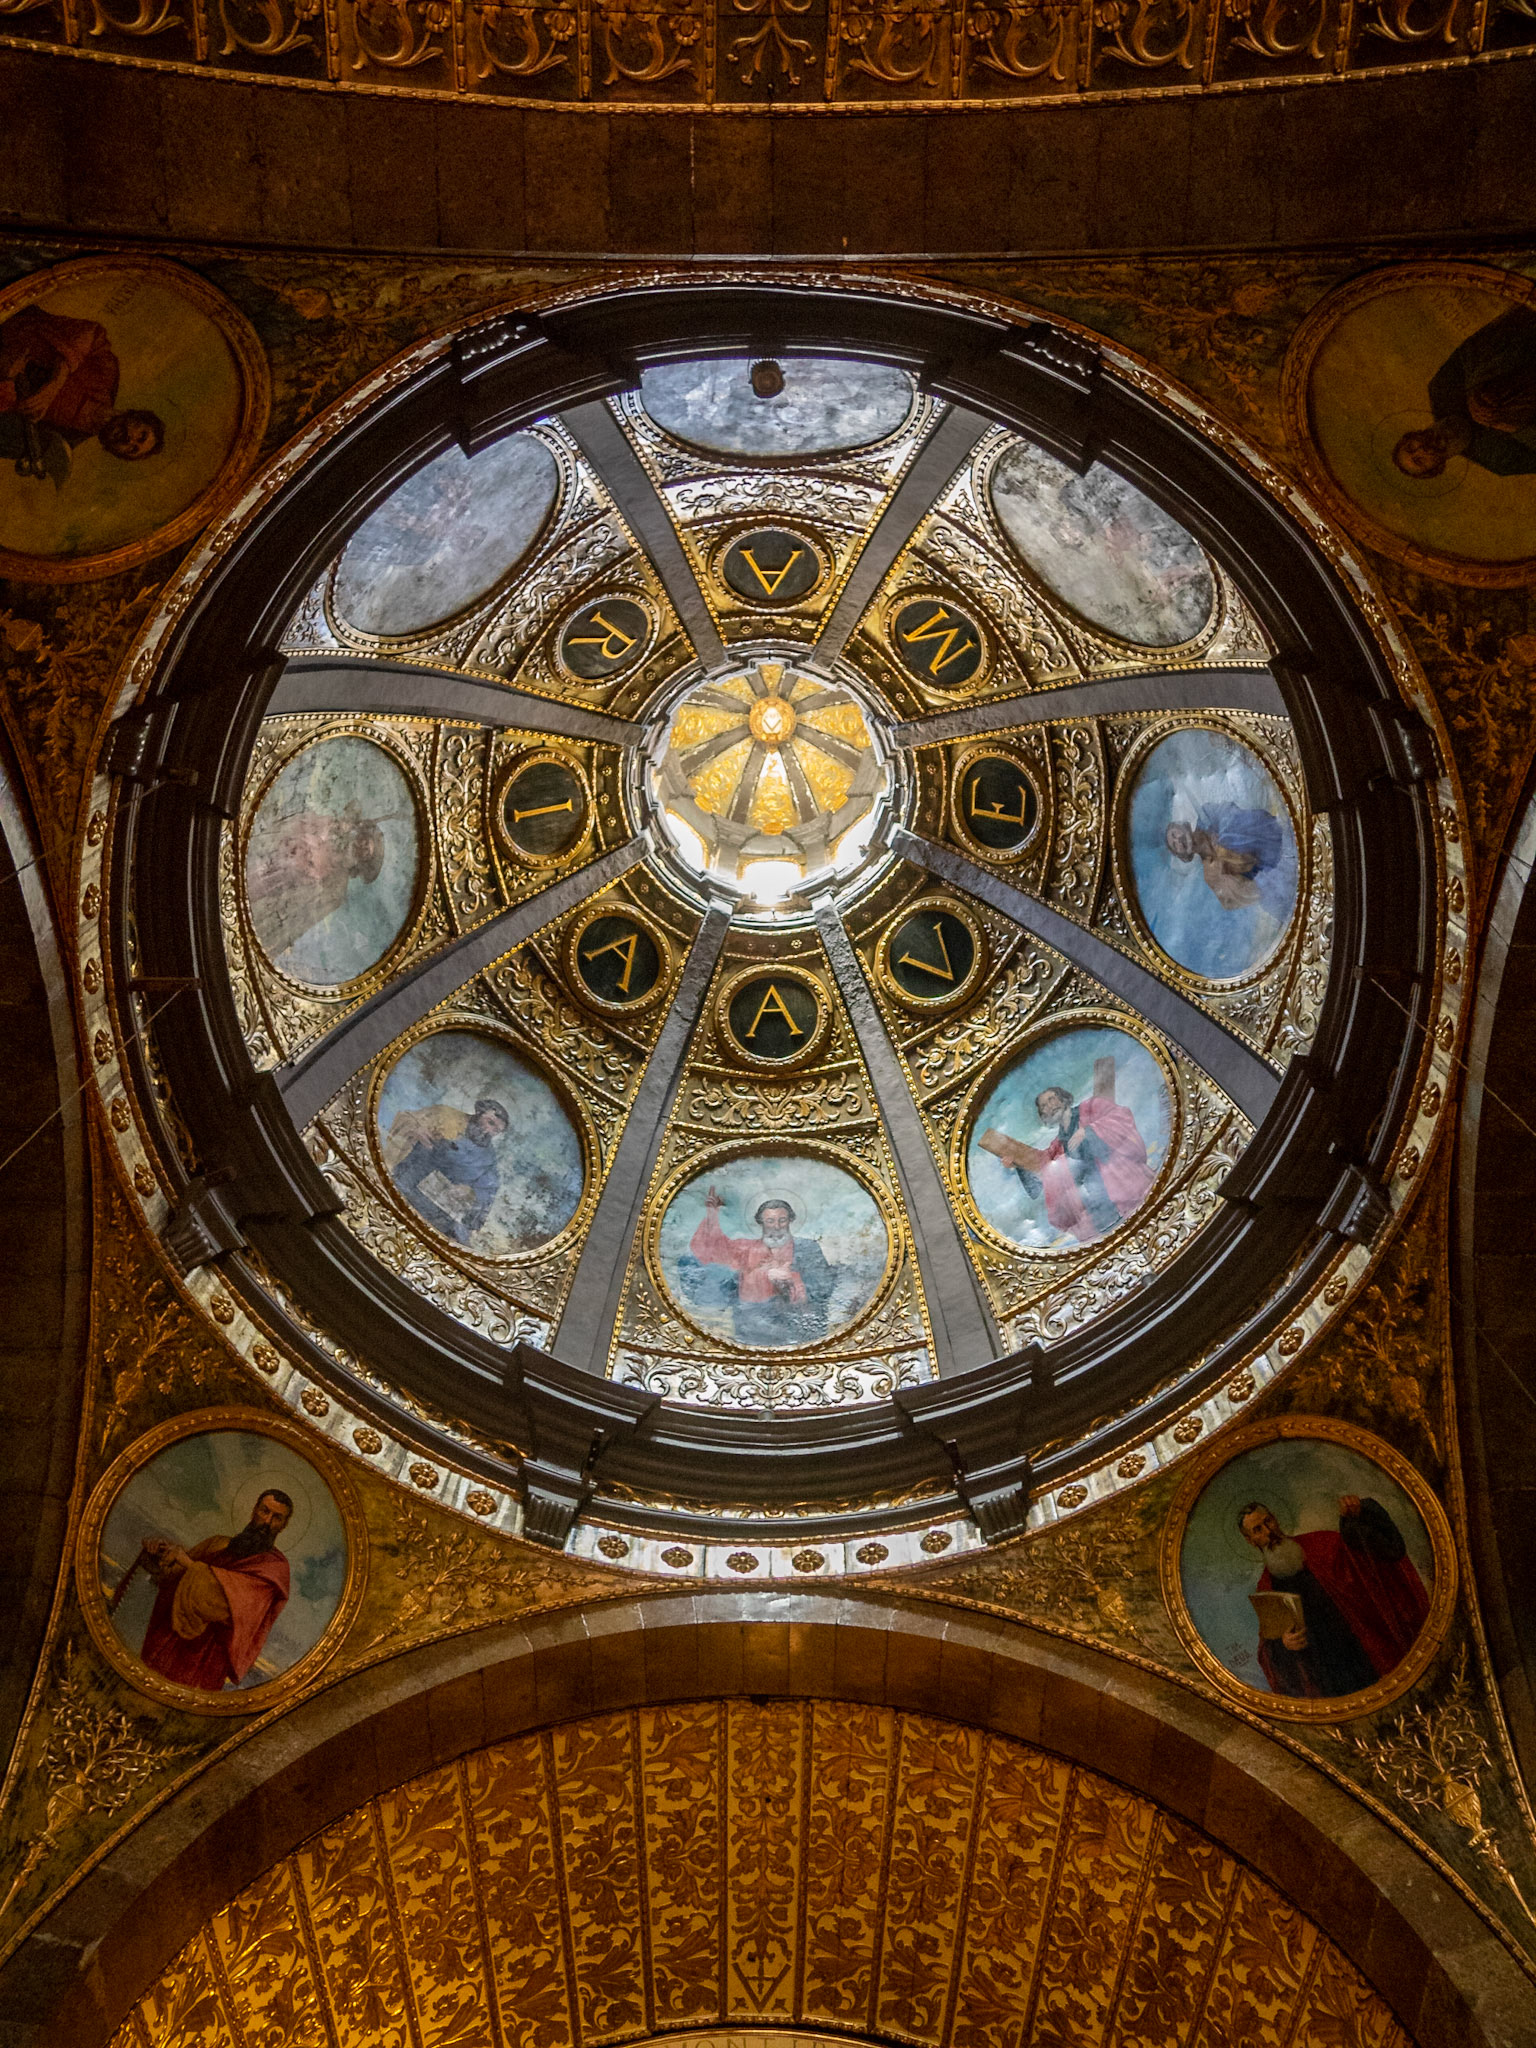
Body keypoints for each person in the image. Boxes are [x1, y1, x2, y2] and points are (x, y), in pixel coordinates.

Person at [1239, 1495, 1430, 1700]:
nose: (1268, 1531)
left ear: (1275, 1518)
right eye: (1257, 1529)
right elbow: (1269, 1647)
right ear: (1250, 1540)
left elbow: (1367, 1562)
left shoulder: (1321, 1543)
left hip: (1360, 1650)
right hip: (1324, 1671)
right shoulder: (1265, 1587)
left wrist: (1357, 1516)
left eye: (1268, 1521)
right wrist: (1284, 1643)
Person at [125, 1489, 293, 1693]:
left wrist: (187, 1562)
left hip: (203, 1659)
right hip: (168, 1640)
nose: (267, 1521)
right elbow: (173, 1578)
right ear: (254, 1510)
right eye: (264, 1511)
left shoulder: (273, 1569)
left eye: (276, 1518)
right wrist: (161, 1554)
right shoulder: (218, 1543)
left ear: (283, 1525)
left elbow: (229, 1604)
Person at [981, 1055, 1153, 1245]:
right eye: (1044, 1106)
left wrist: (1089, 1131)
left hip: (1123, 1187)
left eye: (1052, 1099)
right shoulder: (1057, 1146)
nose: (1049, 1106)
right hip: (1096, 1209)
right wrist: (1017, 1165)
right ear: (1043, 1116)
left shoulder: (1091, 1107)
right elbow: (1043, 1169)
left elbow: (1121, 1118)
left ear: (1063, 1098)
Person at [0, 304, 165, 484]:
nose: (130, 440)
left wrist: (7, 379)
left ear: (116, 452)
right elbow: (91, 333)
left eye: (133, 449)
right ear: (136, 416)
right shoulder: (106, 376)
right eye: (141, 435)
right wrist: (55, 383)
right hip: (12, 318)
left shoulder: (57, 443)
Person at [1391, 303, 1536, 482]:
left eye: (1411, 447)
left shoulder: (1441, 390)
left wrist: (1476, 387)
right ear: (1438, 467)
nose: (1421, 450)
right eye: (1419, 460)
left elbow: (1475, 347)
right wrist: (1515, 427)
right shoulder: (1500, 461)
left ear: (1413, 434)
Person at [684, 1190, 835, 1345]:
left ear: (790, 1220)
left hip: (796, 1327)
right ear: (761, 1222)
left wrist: (791, 1279)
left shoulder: (808, 1248)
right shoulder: (747, 1249)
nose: (776, 1226)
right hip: (753, 1328)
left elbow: (824, 1284)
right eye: (770, 1221)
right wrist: (712, 1214)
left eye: (782, 1220)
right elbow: (713, 1248)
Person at [245, 802, 387, 961]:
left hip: (272, 897)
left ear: (362, 862)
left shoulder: (336, 890)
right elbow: (285, 829)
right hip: (263, 859)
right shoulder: (326, 826)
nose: (360, 847)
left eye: (366, 852)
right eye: (364, 842)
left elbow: (297, 923)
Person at [384, 1097, 509, 1245]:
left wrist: (470, 1192)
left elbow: (489, 1189)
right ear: (479, 1113)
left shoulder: (488, 1158)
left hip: (436, 1207)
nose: (489, 1131)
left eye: (496, 1130)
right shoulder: (444, 1115)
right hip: (405, 1181)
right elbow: (406, 1119)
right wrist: (416, 1131)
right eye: (490, 1122)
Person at [1165, 805, 1292, 924]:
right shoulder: (1210, 873)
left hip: (1279, 838)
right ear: (1182, 855)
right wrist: (1225, 866)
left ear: (1183, 826)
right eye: (1175, 845)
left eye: (1174, 834)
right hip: (1274, 875)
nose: (1178, 840)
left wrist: (1223, 836)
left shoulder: (1208, 815)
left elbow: (1245, 815)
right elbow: (1245, 895)